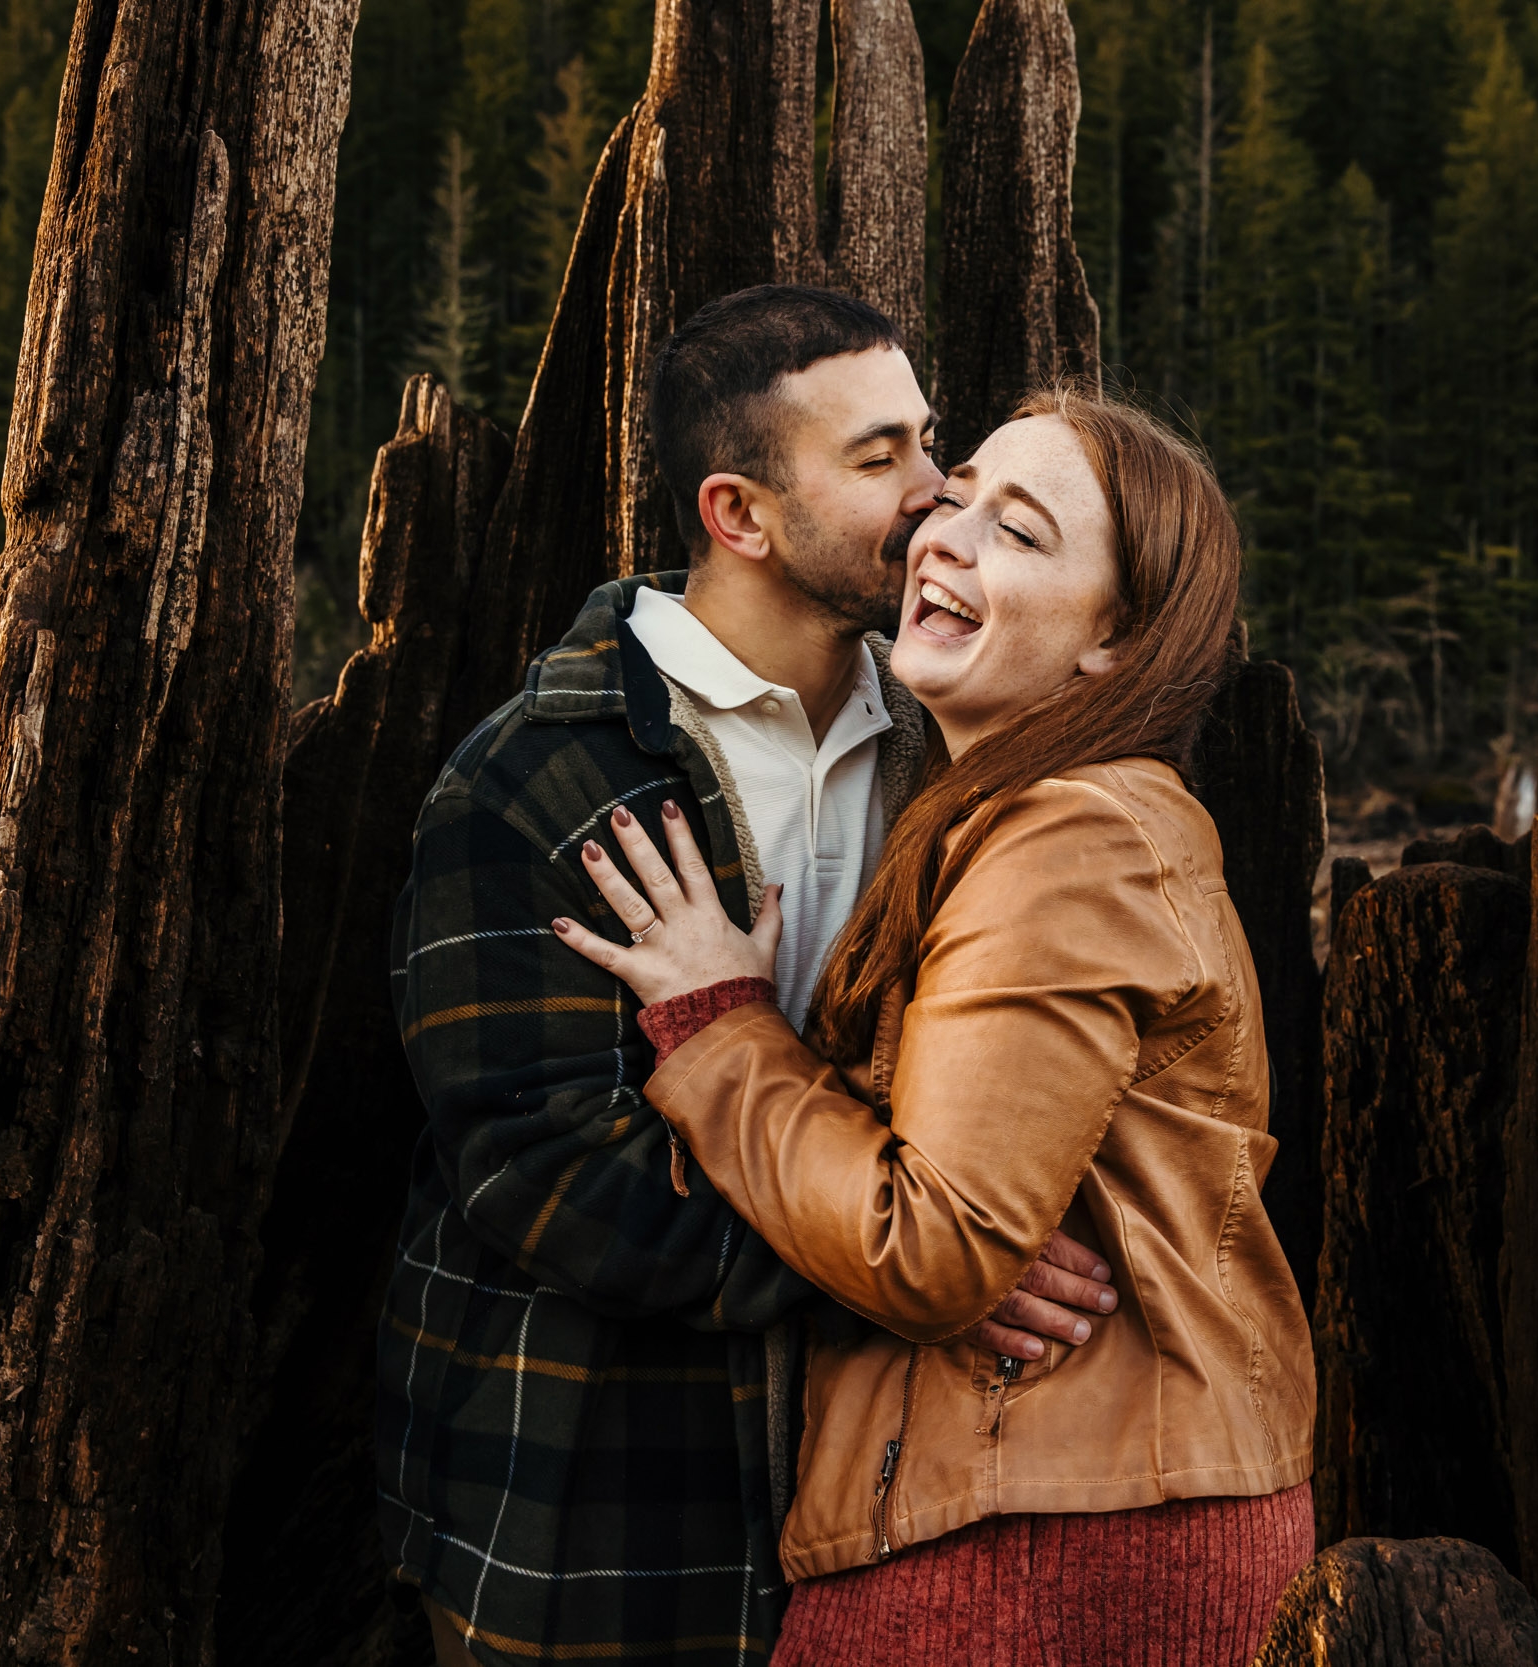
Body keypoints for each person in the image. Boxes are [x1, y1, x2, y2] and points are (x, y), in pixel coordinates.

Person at [378, 288, 1122, 1667]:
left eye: (930, 439)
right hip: (597, 1502)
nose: (936, 495)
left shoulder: (951, 743)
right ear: (740, 515)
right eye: (876, 457)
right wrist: (924, 1269)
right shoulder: (537, 782)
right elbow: (555, 1183)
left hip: (885, 1497)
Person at [552, 386, 1318, 1662]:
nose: (942, 537)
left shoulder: (1068, 837)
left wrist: (718, 1025)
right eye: (953, 497)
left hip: (1042, 1541)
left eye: (1019, 532)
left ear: (1113, 643)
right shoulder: (1028, 816)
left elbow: (932, 1246)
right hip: (1051, 1500)